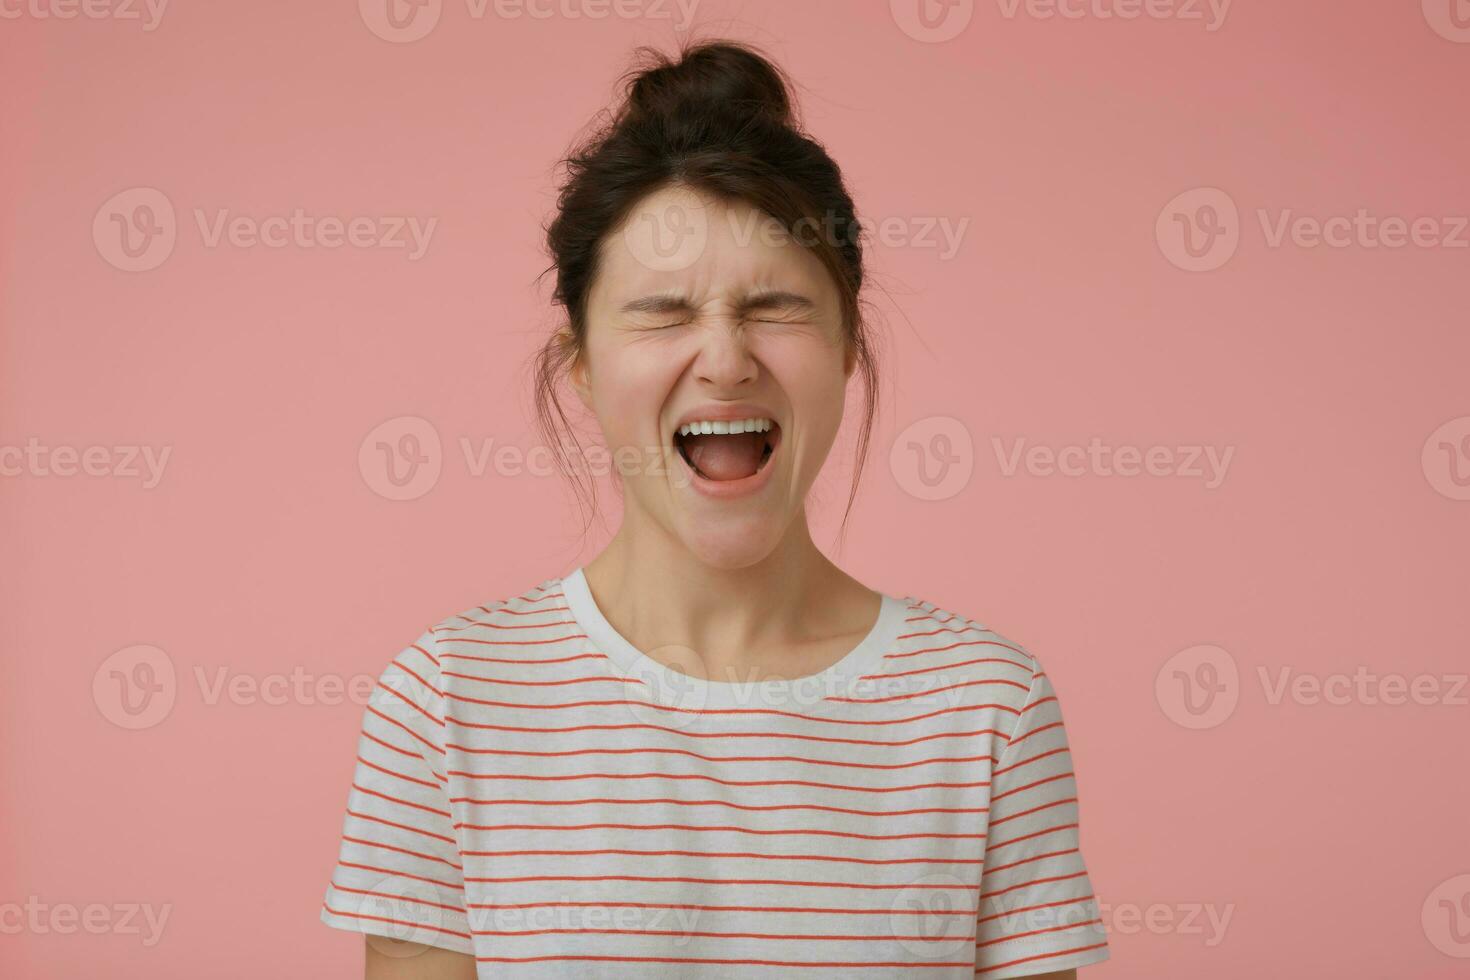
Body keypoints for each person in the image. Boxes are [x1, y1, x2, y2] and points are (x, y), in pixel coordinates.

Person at [320, 39, 1110, 980]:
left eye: (775, 306)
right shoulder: (446, 703)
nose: (727, 359)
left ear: (850, 343)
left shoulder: (987, 711)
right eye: (663, 311)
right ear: (580, 360)